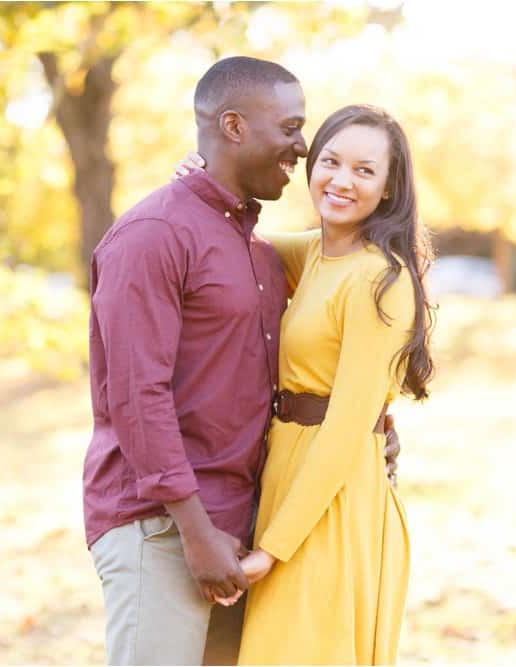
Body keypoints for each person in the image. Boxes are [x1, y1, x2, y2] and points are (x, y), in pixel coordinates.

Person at [84, 57, 401, 666]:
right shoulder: (153, 235)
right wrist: (193, 531)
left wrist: (373, 422)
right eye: (290, 127)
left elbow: (314, 351)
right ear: (233, 125)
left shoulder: (257, 252)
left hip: (243, 524)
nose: (302, 148)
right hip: (164, 527)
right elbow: (135, 396)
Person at [177, 104, 435, 663]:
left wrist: (272, 550)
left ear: (389, 189)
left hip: (333, 500)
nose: (342, 181)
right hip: (285, 480)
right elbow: (240, 240)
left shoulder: (380, 281)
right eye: (331, 162)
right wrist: (196, 184)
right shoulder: (314, 253)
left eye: (365, 171)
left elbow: (345, 430)